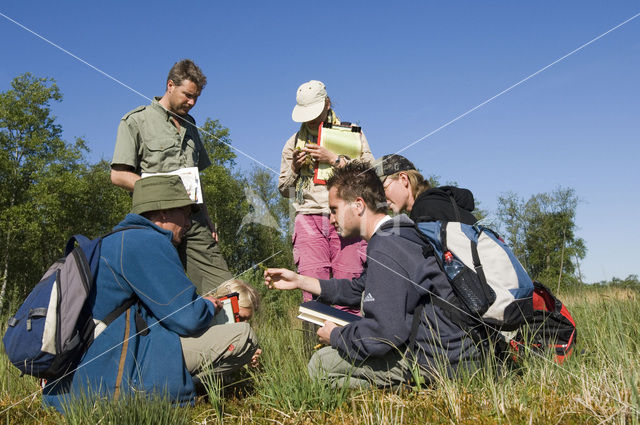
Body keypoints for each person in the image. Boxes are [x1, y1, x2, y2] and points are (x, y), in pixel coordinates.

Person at [43, 175, 260, 412]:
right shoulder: (148, 242)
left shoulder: (117, 240)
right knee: (243, 337)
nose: (189, 223)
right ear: (164, 212)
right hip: (111, 375)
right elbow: (186, 318)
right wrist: (208, 305)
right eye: (185, 213)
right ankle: (173, 395)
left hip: (85, 374)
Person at [265, 161, 485, 388]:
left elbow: (383, 334)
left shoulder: (385, 246)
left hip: (439, 361)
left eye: (334, 210)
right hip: (454, 353)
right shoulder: (399, 236)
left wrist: (336, 336)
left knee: (321, 364)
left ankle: (415, 390)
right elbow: (357, 289)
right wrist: (300, 280)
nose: (330, 219)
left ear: (358, 205)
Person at [110, 59, 232, 295]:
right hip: (155, 223)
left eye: (196, 97)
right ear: (170, 85)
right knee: (159, 295)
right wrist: (162, 191)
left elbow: (195, 176)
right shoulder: (136, 121)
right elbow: (118, 175)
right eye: (187, 95)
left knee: (226, 289)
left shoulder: (191, 126)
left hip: (194, 222)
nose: (192, 102)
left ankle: (231, 332)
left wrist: (206, 218)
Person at [278, 80, 374, 308]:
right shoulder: (292, 144)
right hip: (308, 218)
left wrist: (335, 160)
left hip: (348, 217)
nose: (310, 119)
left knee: (349, 287)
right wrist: (294, 169)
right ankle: (317, 343)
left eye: (314, 112)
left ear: (327, 104)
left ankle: (350, 341)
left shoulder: (352, 135)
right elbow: (285, 191)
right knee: (313, 293)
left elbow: (371, 174)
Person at [372, 154, 478, 225]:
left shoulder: (425, 210)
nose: (382, 199)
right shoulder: (438, 202)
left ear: (403, 179)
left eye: (383, 189)